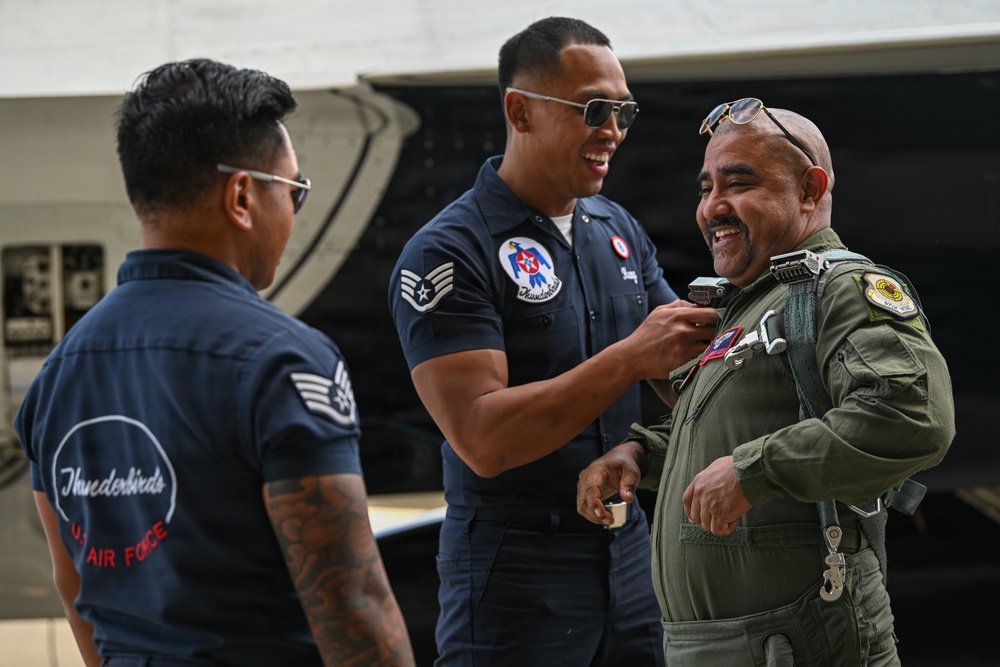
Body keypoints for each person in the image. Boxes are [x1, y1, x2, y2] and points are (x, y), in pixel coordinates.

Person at [15, 58, 415, 667]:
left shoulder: (58, 376)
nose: (294, 212)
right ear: (242, 195)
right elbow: (352, 600)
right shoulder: (284, 361)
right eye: (295, 191)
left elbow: (77, 592)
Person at [577, 99, 955, 665]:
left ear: (809, 190)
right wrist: (643, 454)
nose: (713, 207)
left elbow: (911, 415)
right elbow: (746, 425)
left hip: (794, 642)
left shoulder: (840, 289)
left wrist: (755, 471)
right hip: (724, 645)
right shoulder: (751, 303)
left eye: (738, 183)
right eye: (706, 188)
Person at [388, 16, 717, 667]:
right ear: (520, 111)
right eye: (593, 109)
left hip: (630, 554)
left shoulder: (616, 227)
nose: (613, 130)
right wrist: (627, 358)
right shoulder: (448, 251)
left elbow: (681, 366)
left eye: (624, 111)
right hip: (515, 571)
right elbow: (483, 438)